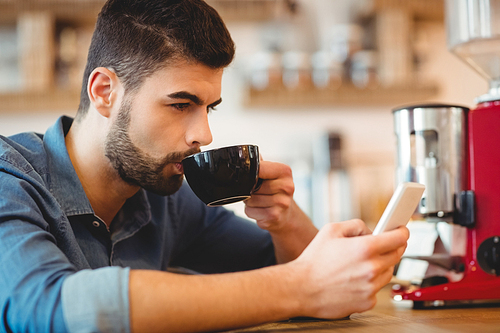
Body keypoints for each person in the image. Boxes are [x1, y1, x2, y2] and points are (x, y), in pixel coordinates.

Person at [0, 0, 409, 332]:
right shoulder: (10, 178)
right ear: (104, 91)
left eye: (208, 108)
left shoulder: (166, 200)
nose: (204, 135)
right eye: (181, 104)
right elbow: (45, 305)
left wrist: (285, 221)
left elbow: (293, 279)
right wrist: (303, 286)